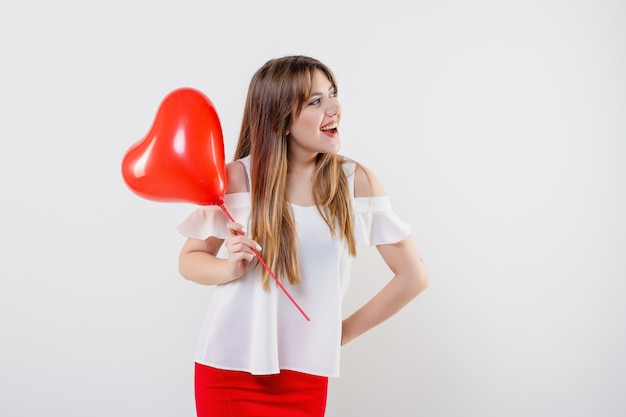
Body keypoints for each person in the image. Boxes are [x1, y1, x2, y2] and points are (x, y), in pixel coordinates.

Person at [176, 55, 429, 417]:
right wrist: (228, 268)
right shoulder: (236, 179)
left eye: (332, 93)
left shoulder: (355, 182)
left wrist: (338, 335)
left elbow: (413, 277)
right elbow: (189, 260)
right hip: (228, 367)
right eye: (316, 100)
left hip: (306, 374)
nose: (335, 107)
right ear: (280, 118)